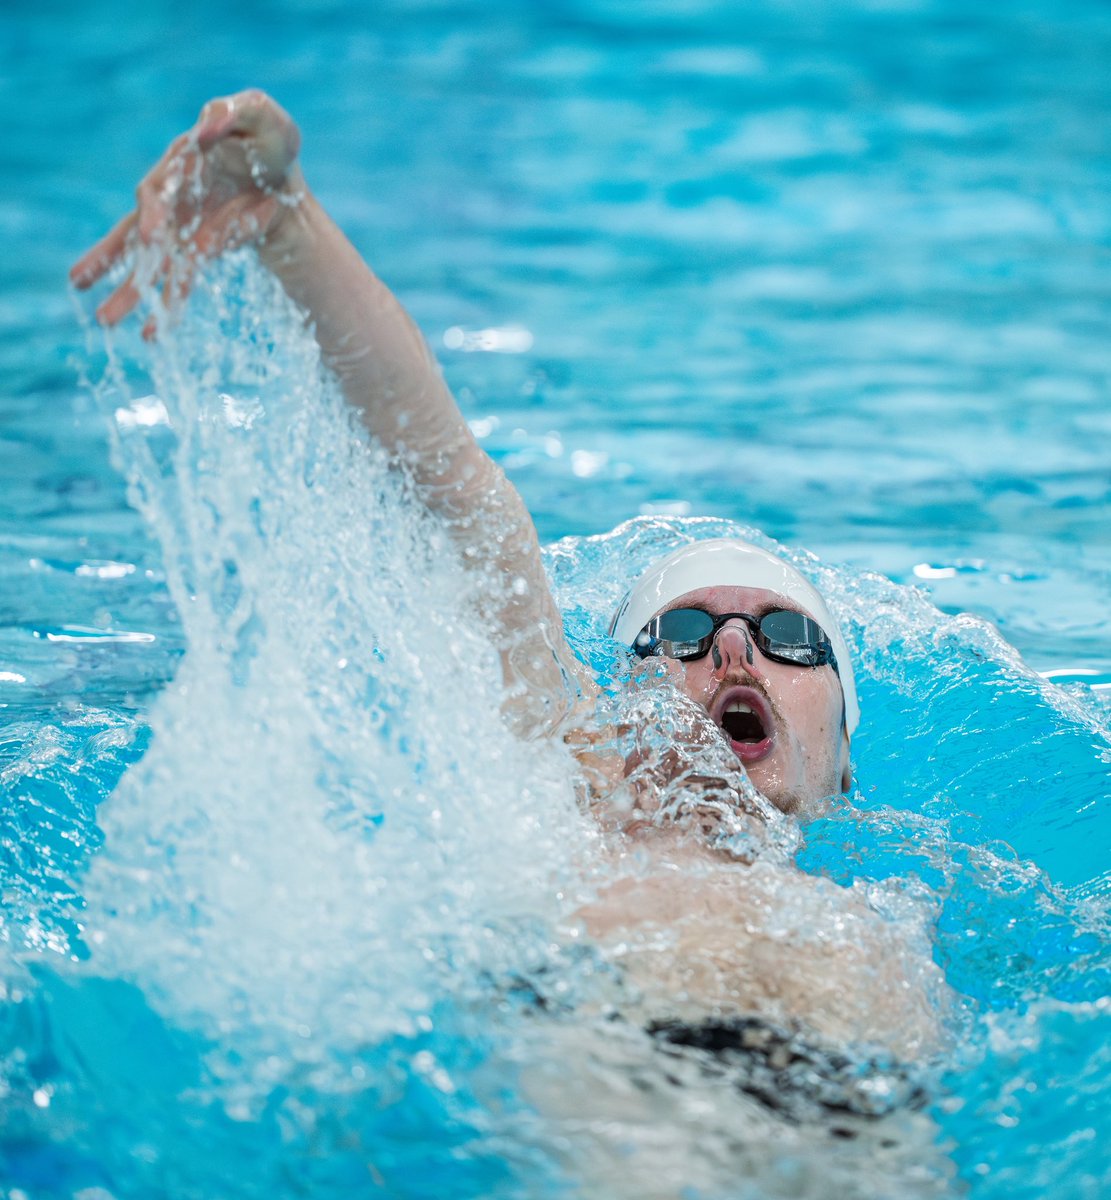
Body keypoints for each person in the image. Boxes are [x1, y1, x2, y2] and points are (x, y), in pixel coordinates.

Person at [71, 91, 942, 1068]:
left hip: (865, 1108)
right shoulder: (580, 791)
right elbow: (453, 481)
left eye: (787, 639)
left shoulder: (897, 906)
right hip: (629, 1087)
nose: (733, 648)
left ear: (843, 756)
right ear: (623, 703)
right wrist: (288, 222)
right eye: (683, 634)